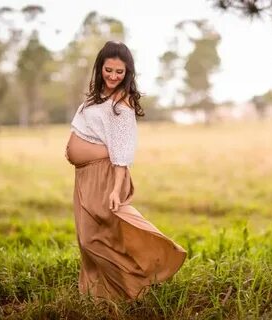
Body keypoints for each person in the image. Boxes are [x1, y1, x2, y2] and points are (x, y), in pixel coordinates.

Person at [65, 40, 187, 301]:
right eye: (108, 70)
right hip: (84, 176)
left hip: (103, 176)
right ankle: (100, 295)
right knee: (86, 240)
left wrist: (116, 190)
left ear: (127, 73)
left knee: (94, 240)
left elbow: (122, 154)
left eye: (119, 72)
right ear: (100, 68)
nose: (113, 76)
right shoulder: (96, 98)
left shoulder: (121, 104)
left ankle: (137, 283)